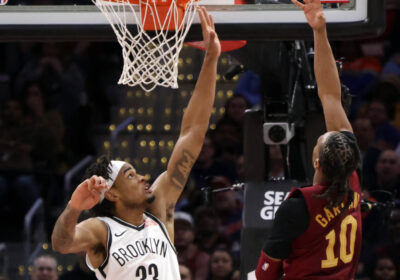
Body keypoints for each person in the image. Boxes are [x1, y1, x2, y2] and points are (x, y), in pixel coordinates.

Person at [51, 7, 221, 280]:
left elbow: (192, 133)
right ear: (113, 194)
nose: (144, 177)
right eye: (130, 175)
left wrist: (211, 59)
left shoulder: (159, 209)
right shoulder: (101, 229)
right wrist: (73, 208)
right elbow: (62, 243)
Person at [256, 0, 362, 279]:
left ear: (316, 161)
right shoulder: (351, 181)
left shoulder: (298, 205)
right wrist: (319, 30)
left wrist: (319, 29)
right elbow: (330, 96)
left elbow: (265, 274)